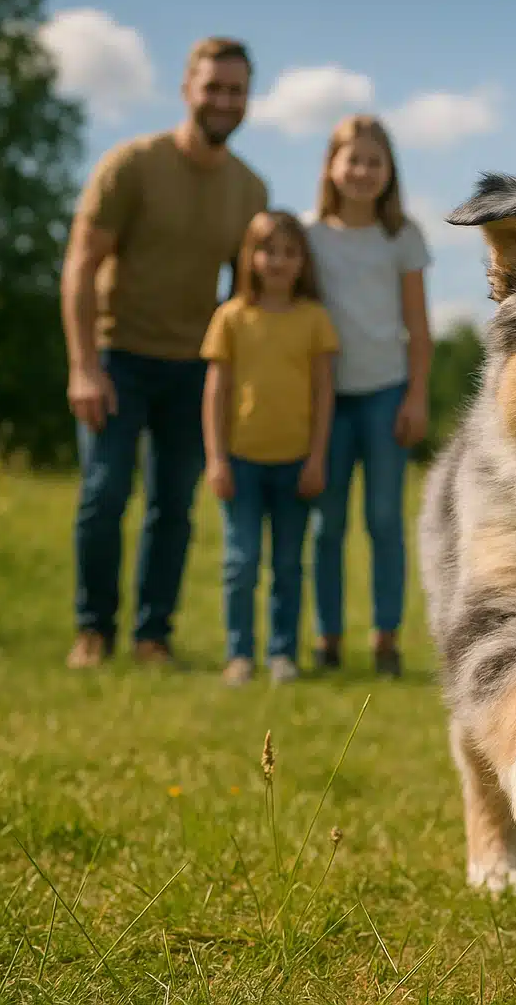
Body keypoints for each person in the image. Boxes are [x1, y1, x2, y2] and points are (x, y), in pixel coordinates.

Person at [61, 36, 270, 670]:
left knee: (173, 507)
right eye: (212, 87)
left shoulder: (249, 190)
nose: (223, 100)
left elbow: (244, 299)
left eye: (235, 90)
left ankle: (153, 637)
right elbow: (80, 265)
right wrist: (83, 367)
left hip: (191, 368)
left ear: (247, 99)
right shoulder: (131, 165)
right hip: (116, 357)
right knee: (103, 495)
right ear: (187, 89)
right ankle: (93, 631)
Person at [301, 114, 434, 678]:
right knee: (326, 524)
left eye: (373, 162)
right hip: (327, 401)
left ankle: (386, 640)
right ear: (331, 167)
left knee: (384, 520)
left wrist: (417, 396)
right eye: (351, 159)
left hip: (385, 394)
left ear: (388, 172)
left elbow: (418, 326)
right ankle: (327, 640)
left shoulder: (400, 236)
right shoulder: (308, 236)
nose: (361, 171)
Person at [201, 211, 339, 687]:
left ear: (302, 261)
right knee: (240, 564)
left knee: (286, 565)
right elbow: (215, 393)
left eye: (288, 252)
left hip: (296, 464)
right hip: (240, 464)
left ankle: (282, 653)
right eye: (267, 250)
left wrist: (318, 458)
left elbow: (324, 394)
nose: (277, 261)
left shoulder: (314, 320)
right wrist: (216, 458)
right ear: (250, 258)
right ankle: (239, 654)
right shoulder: (231, 317)